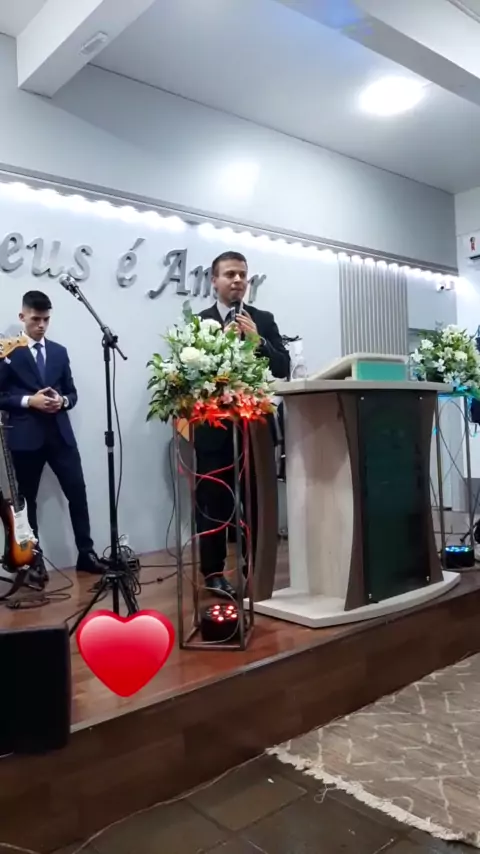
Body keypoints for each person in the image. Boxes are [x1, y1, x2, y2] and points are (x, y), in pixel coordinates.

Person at [194, 251, 290, 598]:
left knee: (257, 502)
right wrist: (218, 344)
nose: (237, 280)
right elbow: (190, 375)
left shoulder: (262, 319)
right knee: (213, 504)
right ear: (214, 281)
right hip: (214, 430)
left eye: (242, 275)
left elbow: (282, 367)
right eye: (230, 274)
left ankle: (257, 568)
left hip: (255, 431)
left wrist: (258, 341)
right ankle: (213, 573)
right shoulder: (199, 322)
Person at [0, 290, 105, 578]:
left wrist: (63, 401)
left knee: (78, 493)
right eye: (36, 319)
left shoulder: (59, 352)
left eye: (46, 319)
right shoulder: (8, 352)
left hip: (61, 436)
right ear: (22, 317)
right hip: (25, 439)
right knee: (27, 502)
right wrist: (28, 401)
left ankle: (86, 553)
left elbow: (72, 392)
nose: (42, 325)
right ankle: (34, 561)